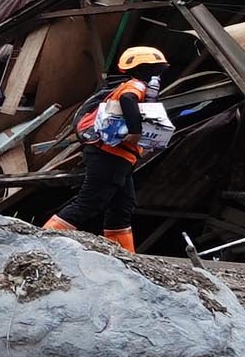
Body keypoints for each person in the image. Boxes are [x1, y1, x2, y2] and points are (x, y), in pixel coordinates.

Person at [45, 45, 173, 252]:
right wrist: (135, 131)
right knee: (90, 203)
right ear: (144, 69)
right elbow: (128, 99)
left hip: (119, 157)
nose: (158, 76)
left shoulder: (129, 87)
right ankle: (44, 240)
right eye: (156, 70)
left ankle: (125, 255)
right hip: (109, 156)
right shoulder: (135, 86)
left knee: (122, 206)